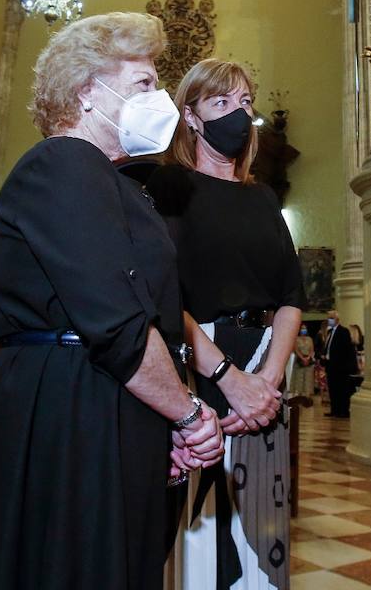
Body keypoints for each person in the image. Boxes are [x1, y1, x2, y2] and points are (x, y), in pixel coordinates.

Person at [0, 12, 224, 590]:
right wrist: (186, 413)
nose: (158, 97)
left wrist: (167, 423)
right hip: (72, 402)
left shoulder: (113, 180)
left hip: (108, 393)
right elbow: (118, 324)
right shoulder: (62, 163)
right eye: (143, 83)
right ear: (88, 92)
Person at [147, 58, 301, 590]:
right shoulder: (169, 186)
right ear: (190, 116)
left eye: (245, 104)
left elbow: (291, 298)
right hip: (199, 361)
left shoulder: (262, 197)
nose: (238, 115)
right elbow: (163, 294)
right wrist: (229, 379)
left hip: (264, 367)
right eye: (221, 103)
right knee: (201, 529)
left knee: (261, 527)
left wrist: (268, 380)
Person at [321, 310, 358, 417]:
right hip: (330, 365)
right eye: (328, 318)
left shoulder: (343, 331)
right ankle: (335, 410)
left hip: (340, 367)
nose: (329, 320)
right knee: (333, 389)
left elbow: (346, 350)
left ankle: (343, 411)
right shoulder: (329, 332)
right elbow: (328, 347)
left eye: (331, 318)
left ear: (337, 320)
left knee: (342, 389)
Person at [290, 328, 316, 403]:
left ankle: (307, 396)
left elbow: (312, 350)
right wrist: (302, 358)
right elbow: (296, 350)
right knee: (299, 377)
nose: (303, 330)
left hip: (308, 360)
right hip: (299, 360)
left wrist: (308, 358)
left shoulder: (309, 339)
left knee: (308, 378)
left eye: (304, 329)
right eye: (302, 329)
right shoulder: (296, 339)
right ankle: (299, 395)